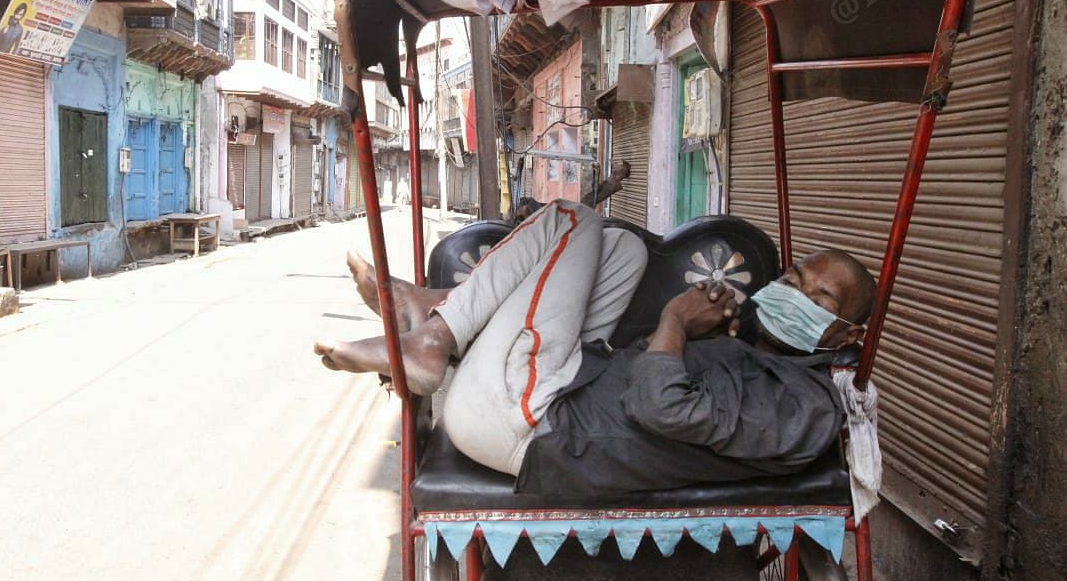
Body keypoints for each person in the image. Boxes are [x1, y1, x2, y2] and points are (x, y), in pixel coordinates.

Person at [315, 199, 876, 495]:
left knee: (573, 217)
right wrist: (698, 332)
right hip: (558, 393)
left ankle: (434, 336)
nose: (793, 292)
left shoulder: (807, 405)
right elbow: (671, 386)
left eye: (819, 297)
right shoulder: (756, 354)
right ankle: (438, 314)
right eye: (795, 278)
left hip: (530, 428)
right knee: (621, 247)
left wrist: (677, 321)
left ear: (847, 335)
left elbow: (662, 407)